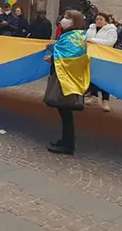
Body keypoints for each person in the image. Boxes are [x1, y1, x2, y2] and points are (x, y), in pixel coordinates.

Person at [44, 10, 88, 155]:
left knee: (65, 111)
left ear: (75, 21)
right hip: (64, 76)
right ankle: (65, 140)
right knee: (64, 112)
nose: (64, 19)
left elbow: (70, 56)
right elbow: (63, 50)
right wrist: (54, 51)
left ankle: (69, 145)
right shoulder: (73, 35)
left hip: (66, 79)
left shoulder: (74, 36)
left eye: (68, 17)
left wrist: (53, 53)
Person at [85, 12, 117, 112]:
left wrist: (93, 40)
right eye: (97, 19)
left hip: (105, 57)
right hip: (93, 56)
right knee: (92, 76)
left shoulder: (111, 30)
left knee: (104, 79)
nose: (98, 21)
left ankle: (105, 100)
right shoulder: (91, 29)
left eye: (101, 19)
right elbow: (86, 38)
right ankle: (94, 96)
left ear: (105, 21)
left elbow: (110, 42)